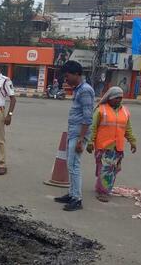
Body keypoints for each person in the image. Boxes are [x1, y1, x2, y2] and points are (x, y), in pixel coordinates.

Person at [54, 60, 94, 211]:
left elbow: (87, 117)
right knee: (71, 165)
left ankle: (77, 199)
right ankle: (72, 194)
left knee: (74, 165)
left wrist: (81, 139)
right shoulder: (78, 89)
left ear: (76, 74)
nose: (66, 79)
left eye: (67, 76)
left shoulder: (85, 90)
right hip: (74, 131)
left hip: (79, 133)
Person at [87, 87, 137, 203]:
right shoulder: (101, 110)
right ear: (109, 98)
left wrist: (132, 141)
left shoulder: (125, 111)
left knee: (113, 170)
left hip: (118, 147)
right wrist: (90, 142)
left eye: (120, 98)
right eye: (116, 98)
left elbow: (127, 128)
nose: (118, 100)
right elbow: (93, 127)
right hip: (104, 146)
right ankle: (103, 192)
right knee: (105, 169)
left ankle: (102, 188)